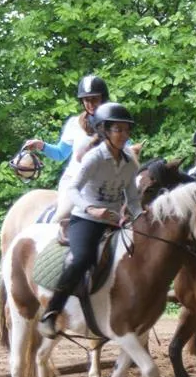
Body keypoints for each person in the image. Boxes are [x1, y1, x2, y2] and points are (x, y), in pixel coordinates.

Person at [39, 102, 144, 338]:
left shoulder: (129, 161)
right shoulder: (94, 158)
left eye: (127, 130)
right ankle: (51, 312)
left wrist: (141, 218)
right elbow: (73, 190)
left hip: (115, 221)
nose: (124, 135)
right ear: (105, 131)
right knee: (82, 258)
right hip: (86, 220)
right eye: (118, 130)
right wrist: (92, 209)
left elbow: (133, 198)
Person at [23, 75, 109, 222]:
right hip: (74, 183)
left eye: (94, 99)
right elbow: (60, 154)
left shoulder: (115, 125)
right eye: (86, 100)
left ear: (103, 98)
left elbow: (127, 151)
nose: (90, 103)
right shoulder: (75, 124)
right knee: (61, 216)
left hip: (105, 185)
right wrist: (41, 145)